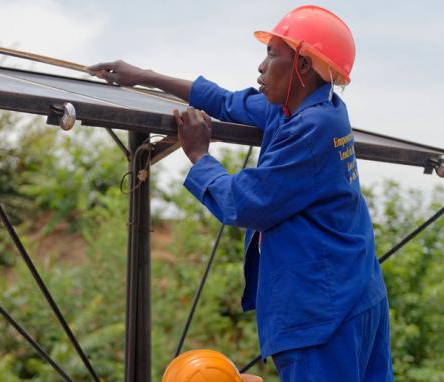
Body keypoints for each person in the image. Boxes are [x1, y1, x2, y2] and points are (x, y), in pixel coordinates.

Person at [89, 5, 393, 381]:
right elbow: (225, 101)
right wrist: (146, 76)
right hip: (357, 294)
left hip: (323, 312)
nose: (262, 66)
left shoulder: (309, 131)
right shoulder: (310, 109)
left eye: (272, 53)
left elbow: (245, 202)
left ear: (301, 66)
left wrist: (199, 154)